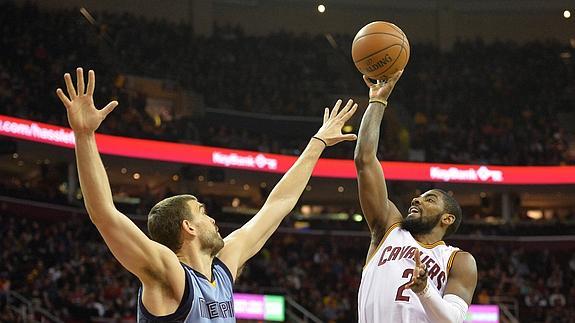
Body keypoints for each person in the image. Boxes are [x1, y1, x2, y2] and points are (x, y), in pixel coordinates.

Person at [56, 68, 358, 322]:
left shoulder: (224, 266)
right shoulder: (169, 272)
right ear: (187, 227)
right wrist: (84, 136)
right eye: (201, 211)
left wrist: (317, 142)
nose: (213, 218)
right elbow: (104, 215)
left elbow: (278, 204)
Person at [354, 71, 477, 323]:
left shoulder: (458, 260)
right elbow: (364, 160)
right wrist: (378, 102)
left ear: (447, 218)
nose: (416, 200)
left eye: (429, 199)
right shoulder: (387, 229)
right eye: (419, 197)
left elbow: (453, 320)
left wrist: (425, 289)